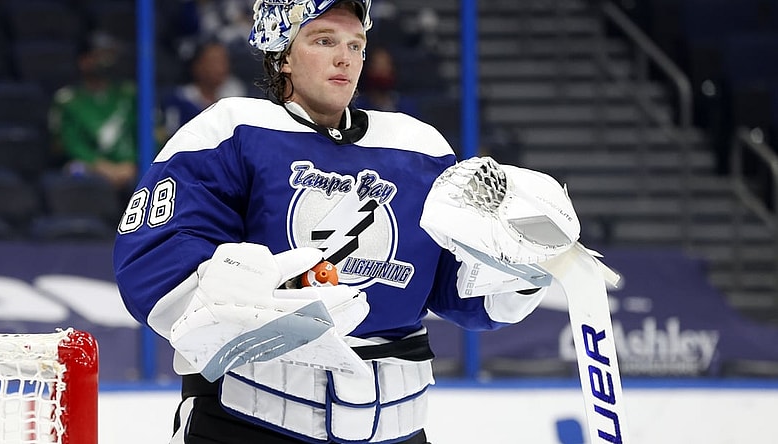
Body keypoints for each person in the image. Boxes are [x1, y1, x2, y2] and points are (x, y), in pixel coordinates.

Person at [113, 1, 603, 442]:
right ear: (282, 54)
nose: (345, 58)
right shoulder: (233, 129)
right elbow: (153, 261)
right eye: (324, 40)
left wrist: (519, 265)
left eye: (356, 44)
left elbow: (461, 295)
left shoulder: (419, 147)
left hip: (396, 428)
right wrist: (247, 293)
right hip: (249, 424)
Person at [49, 31, 137, 199]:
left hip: (130, 168)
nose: (105, 60)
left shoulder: (129, 94)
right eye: (99, 55)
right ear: (84, 60)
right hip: (90, 168)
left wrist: (131, 165)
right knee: (74, 172)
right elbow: (68, 142)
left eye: (109, 54)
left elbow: (149, 133)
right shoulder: (67, 100)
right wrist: (101, 167)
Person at [160, 40, 248, 138]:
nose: (219, 68)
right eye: (213, 62)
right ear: (197, 66)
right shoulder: (180, 99)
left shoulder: (235, 95)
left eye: (223, 61)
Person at [354, 45, 419, 117]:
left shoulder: (405, 106)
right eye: (377, 66)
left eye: (385, 65)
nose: (382, 71)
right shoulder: (357, 107)